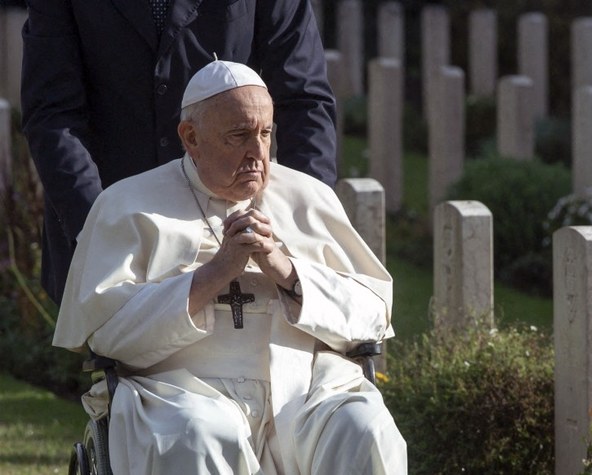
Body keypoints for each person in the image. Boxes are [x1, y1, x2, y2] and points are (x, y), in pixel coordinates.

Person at [52, 60, 406, 474]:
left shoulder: (310, 198)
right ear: (191, 138)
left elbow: (372, 314)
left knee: (364, 427)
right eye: (238, 136)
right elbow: (108, 334)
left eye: (266, 133)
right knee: (197, 433)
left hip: (306, 394)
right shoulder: (127, 205)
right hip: (180, 392)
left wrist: (286, 271)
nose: (257, 153)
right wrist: (216, 273)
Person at [21, 0, 337, 305]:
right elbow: (54, 113)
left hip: (240, 221)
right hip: (111, 230)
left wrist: (300, 223)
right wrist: (100, 229)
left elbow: (303, 101)